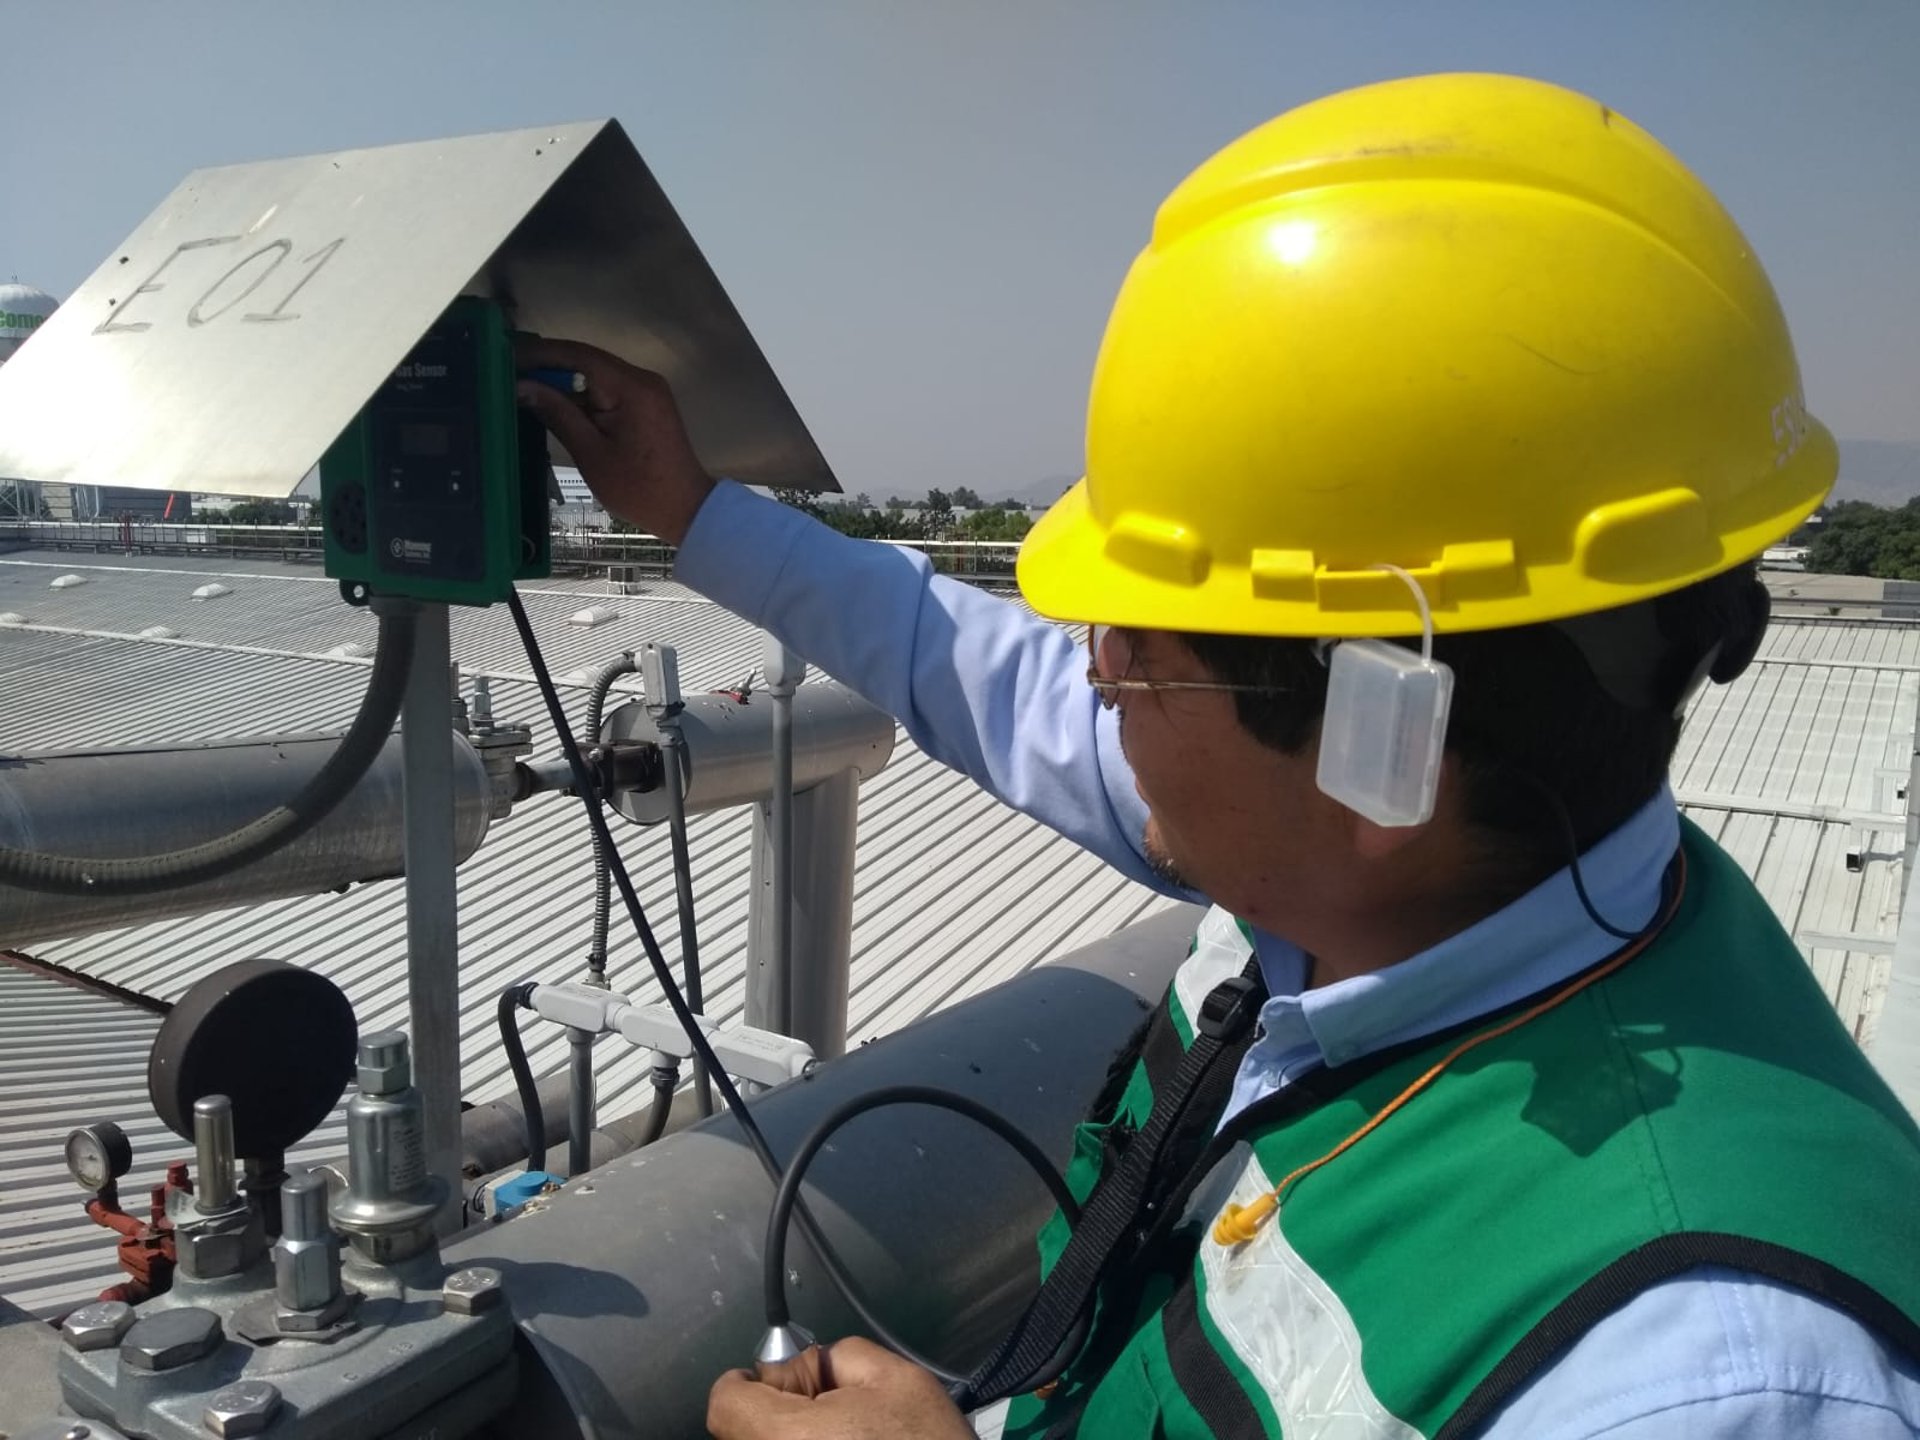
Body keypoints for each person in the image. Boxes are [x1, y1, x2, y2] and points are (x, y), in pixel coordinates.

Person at [519, 73, 1920, 1440]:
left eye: (1141, 643)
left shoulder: (1701, 1375)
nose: (1092, 670)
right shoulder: (1381, 870)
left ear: (1386, 752)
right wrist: (694, 510)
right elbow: (981, 673)